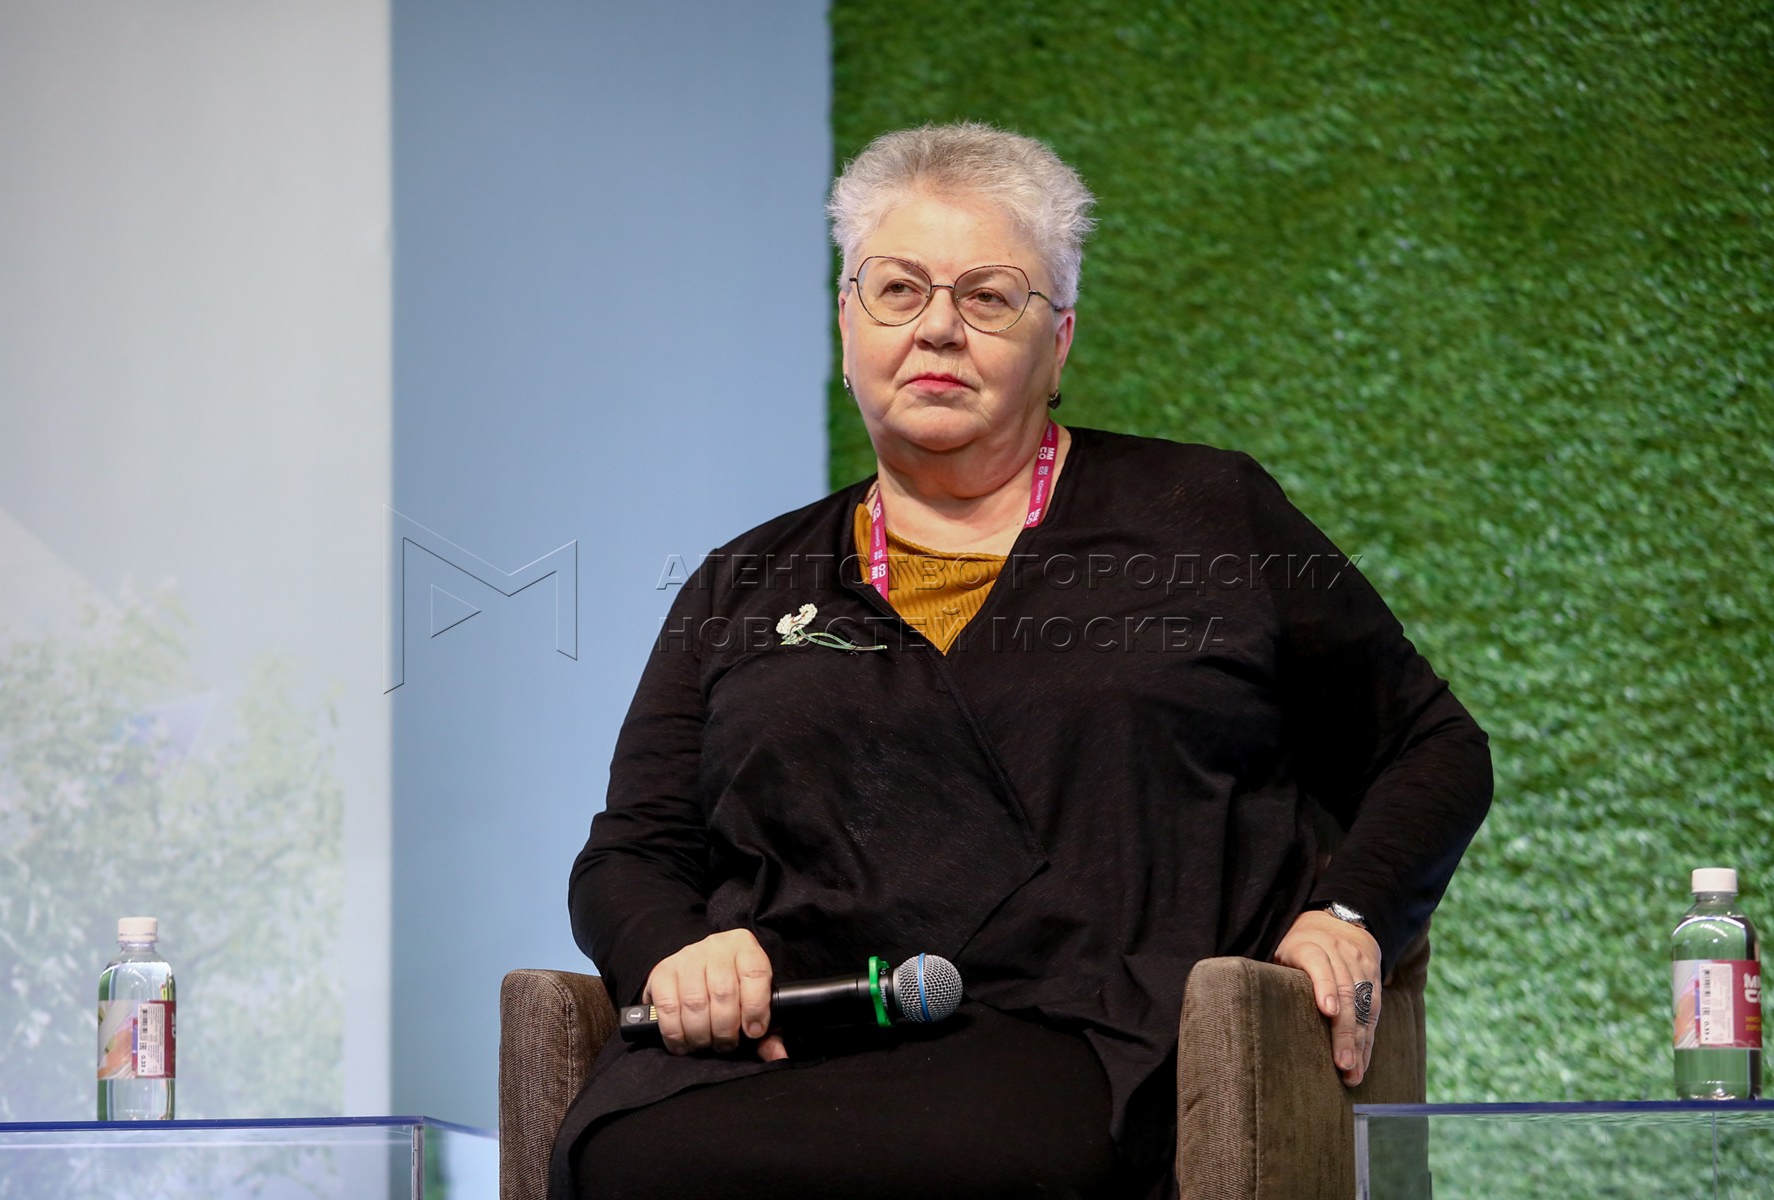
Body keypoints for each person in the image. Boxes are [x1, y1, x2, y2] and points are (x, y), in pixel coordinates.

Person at [550, 122, 1492, 1200]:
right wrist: (674, 952)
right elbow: (632, 850)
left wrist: (1353, 912)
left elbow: (1433, 747)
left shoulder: (1208, 515)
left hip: (1084, 1034)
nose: (937, 328)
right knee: (630, 1157)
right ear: (847, 324)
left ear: (1061, 343)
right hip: (788, 1030)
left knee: (975, 1162)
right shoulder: (743, 580)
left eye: (989, 296)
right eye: (898, 289)